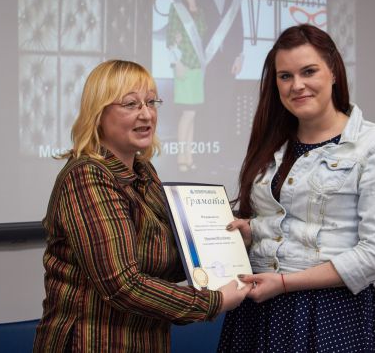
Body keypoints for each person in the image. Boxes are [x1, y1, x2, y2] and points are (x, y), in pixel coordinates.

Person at [33, 60, 250, 352]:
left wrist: (230, 243)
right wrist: (214, 301)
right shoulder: (86, 176)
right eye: (131, 104)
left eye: (151, 102)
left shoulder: (143, 172)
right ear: (98, 113)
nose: (146, 114)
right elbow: (122, 285)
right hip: (92, 343)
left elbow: (164, 259)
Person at [218, 25, 375, 352]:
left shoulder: (373, 145)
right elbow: (281, 222)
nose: (297, 85)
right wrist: (253, 231)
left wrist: (285, 283)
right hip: (259, 307)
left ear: (332, 72)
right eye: (285, 76)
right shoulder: (273, 142)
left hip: (330, 313)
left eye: (308, 71)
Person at [197, 0, 244, 165]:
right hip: (209, 61)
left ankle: (224, 152)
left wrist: (239, 56)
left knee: (227, 106)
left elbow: (239, 28)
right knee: (210, 106)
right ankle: (211, 153)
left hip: (229, 61)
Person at [166, 0, 207, 172]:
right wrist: (177, 63)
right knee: (187, 113)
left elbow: (203, 38)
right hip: (183, 66)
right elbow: (169, 39)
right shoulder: (177, 8)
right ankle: (181, 158)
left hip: (197, 67)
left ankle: (188, 156)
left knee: (193, 114)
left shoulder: (201, 11)